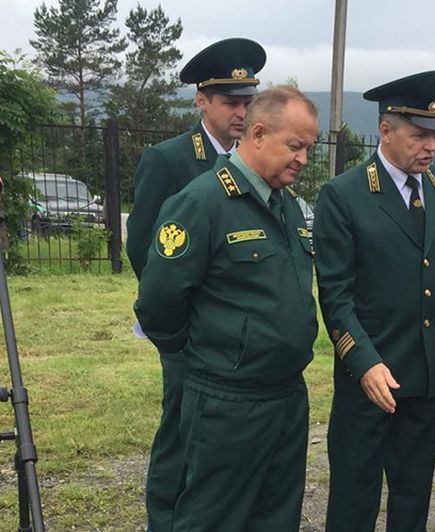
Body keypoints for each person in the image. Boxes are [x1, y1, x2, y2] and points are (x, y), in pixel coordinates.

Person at [134, 85, 318, 531]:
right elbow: (158, 302)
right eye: (295, 146)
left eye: (308, 149)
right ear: (258, 134)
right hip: (228, 402)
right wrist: (205, 354)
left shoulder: (287, 205)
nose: (303, 159)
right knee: (213, 518)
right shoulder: (202, 202)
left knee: (276, 519)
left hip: (286, 396)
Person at [314, 70, 435, 532]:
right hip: (371, 377)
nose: (430, 146)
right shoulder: (344, 195)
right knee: (354, 497)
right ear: (385, 130)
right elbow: (336, 294)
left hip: (428, 372)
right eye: (419, 135)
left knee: (413, 494)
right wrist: (364, 362)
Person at [124, 37, 265, 531]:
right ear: (201, 99)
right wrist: (178, 326)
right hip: (189, 331)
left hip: (240, 334)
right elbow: (144, 248)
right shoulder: (170, 159)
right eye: (230, 102)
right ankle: (165, 518)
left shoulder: (255, 160)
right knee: (182, 432)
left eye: (248, 101)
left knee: (225, 439)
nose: (241, 113)